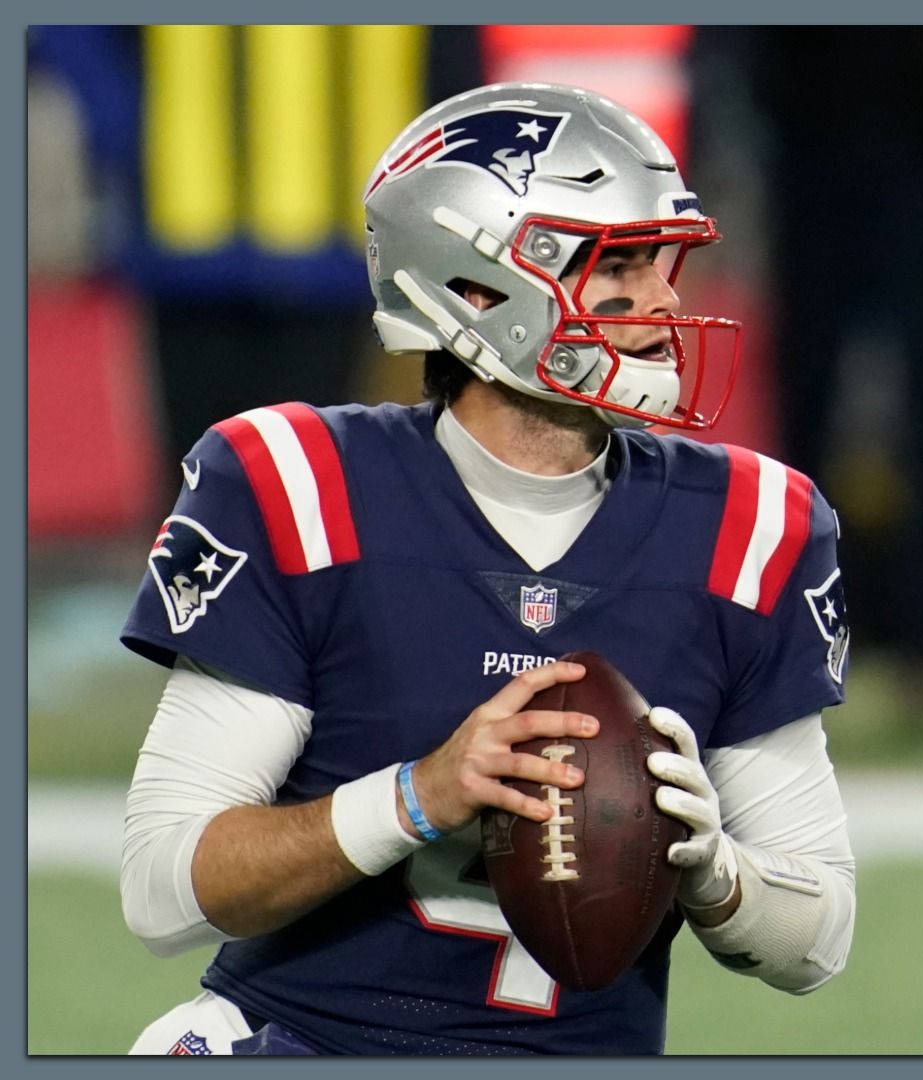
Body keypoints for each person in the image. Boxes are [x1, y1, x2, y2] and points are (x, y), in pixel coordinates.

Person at [118, 82, 856, 1055]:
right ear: (479, 286)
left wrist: (712, 870)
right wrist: (417, 797)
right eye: (619, 266)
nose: (666, 302)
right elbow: (164, 892)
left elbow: (820, 936)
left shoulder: (751, 524)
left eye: (667, 265)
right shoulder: (299, 487)